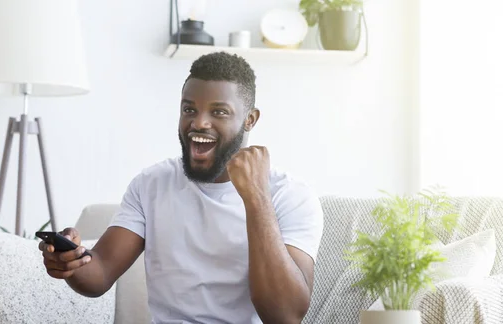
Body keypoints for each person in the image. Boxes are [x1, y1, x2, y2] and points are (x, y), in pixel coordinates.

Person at [39, 52, 324, 323]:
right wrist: (71, 263)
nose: (199, 122)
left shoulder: (291, 197)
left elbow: (285, 316)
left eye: (219, 112)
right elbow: (99, 274)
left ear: (250, 119)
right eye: (189, 109)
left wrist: (256, 198)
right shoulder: (151, 184)